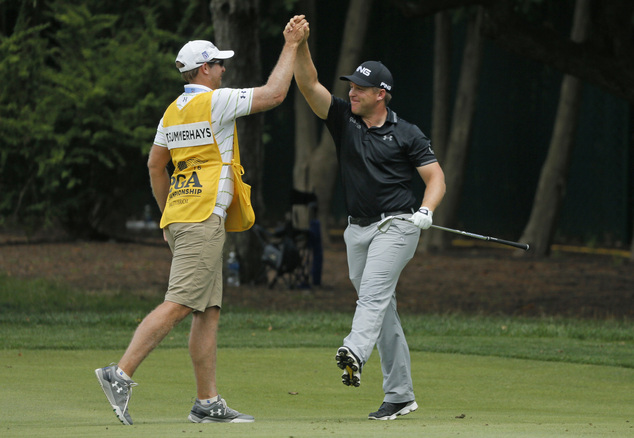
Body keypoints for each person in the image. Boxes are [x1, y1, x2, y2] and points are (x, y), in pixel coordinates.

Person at [95, 16, 309, 425]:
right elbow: (275, 94)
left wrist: (166, 215)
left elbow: (155, 166)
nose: (224, 69)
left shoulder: (171, 112)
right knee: (179, 303)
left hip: (182, 216)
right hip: (202, 217)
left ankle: (206, 403)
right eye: (218, 63)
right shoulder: (215, 100)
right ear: (203, 70)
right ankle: (118, 373)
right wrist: (291, 44)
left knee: (206, 310)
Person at [291, 19, 446, 421]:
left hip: (397, 226)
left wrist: (426, 210)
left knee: (373, 297)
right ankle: (400, 394)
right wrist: (301, 44)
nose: (351, 92)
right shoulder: (344, 119)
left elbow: (435, 178)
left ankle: (353, 351)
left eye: (359, 88)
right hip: (356, 229)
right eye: (350, 86)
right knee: (384, 310)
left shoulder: (407, 133)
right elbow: (309, 85)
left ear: (382, 95)